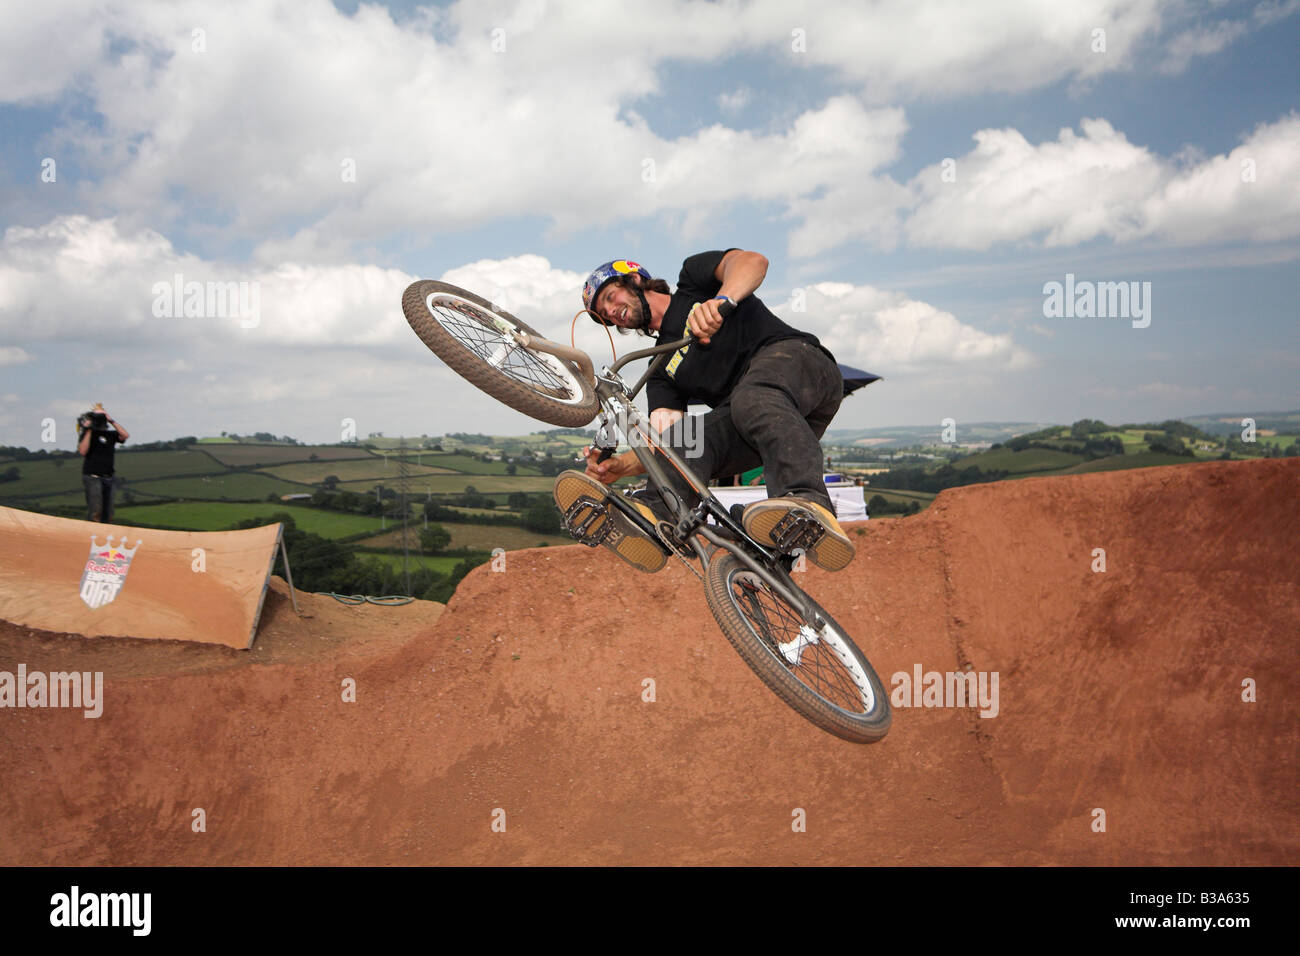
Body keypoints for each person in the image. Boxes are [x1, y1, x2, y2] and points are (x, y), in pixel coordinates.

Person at [554, 250, 854, 573]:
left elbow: (754, 263)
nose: (612, 313)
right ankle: (656, 519)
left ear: (636, 280)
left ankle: (808, 501)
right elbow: (665, 444)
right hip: (762, 422)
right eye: (605, 314)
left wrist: (721, 301)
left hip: (802, 365)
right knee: (687, 437)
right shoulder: (660, 370)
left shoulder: (693, 282)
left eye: (611, 298)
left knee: (749, 398)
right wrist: (620, 467)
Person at [77, 405, 129, 522]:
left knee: (109, 511)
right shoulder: (88, 435)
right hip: (93, 477)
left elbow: (125, 435)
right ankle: (92, 534)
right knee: (96, 509)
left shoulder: (110, 434)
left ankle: (106, 532)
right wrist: (88, 429)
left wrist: (111, 420)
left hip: (109, 477)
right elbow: (83, 451)